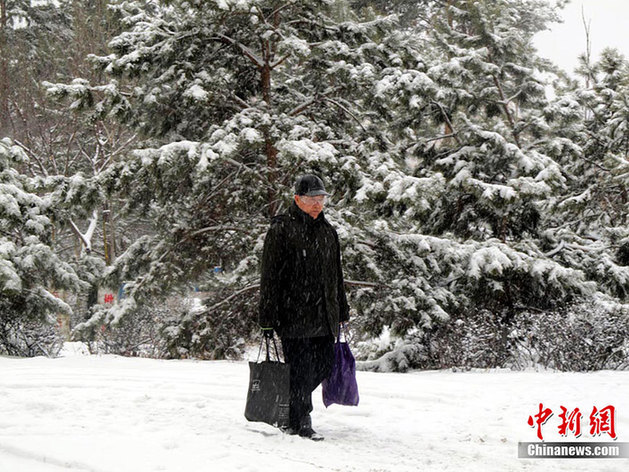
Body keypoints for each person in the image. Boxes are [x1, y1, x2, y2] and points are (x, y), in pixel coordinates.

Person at [258, 174, 350, 441]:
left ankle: (289, 406)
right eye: (312, 199)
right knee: (299, 368)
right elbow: (270, 276)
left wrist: (342, 310)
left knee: (323, 364)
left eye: (321, 199)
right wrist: (267, 316)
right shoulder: (281, 229)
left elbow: (337, 275)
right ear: (297, 199)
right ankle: (301, 420)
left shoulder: (328, 232)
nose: (317, 204)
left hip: (324, 314)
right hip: (293, 313)